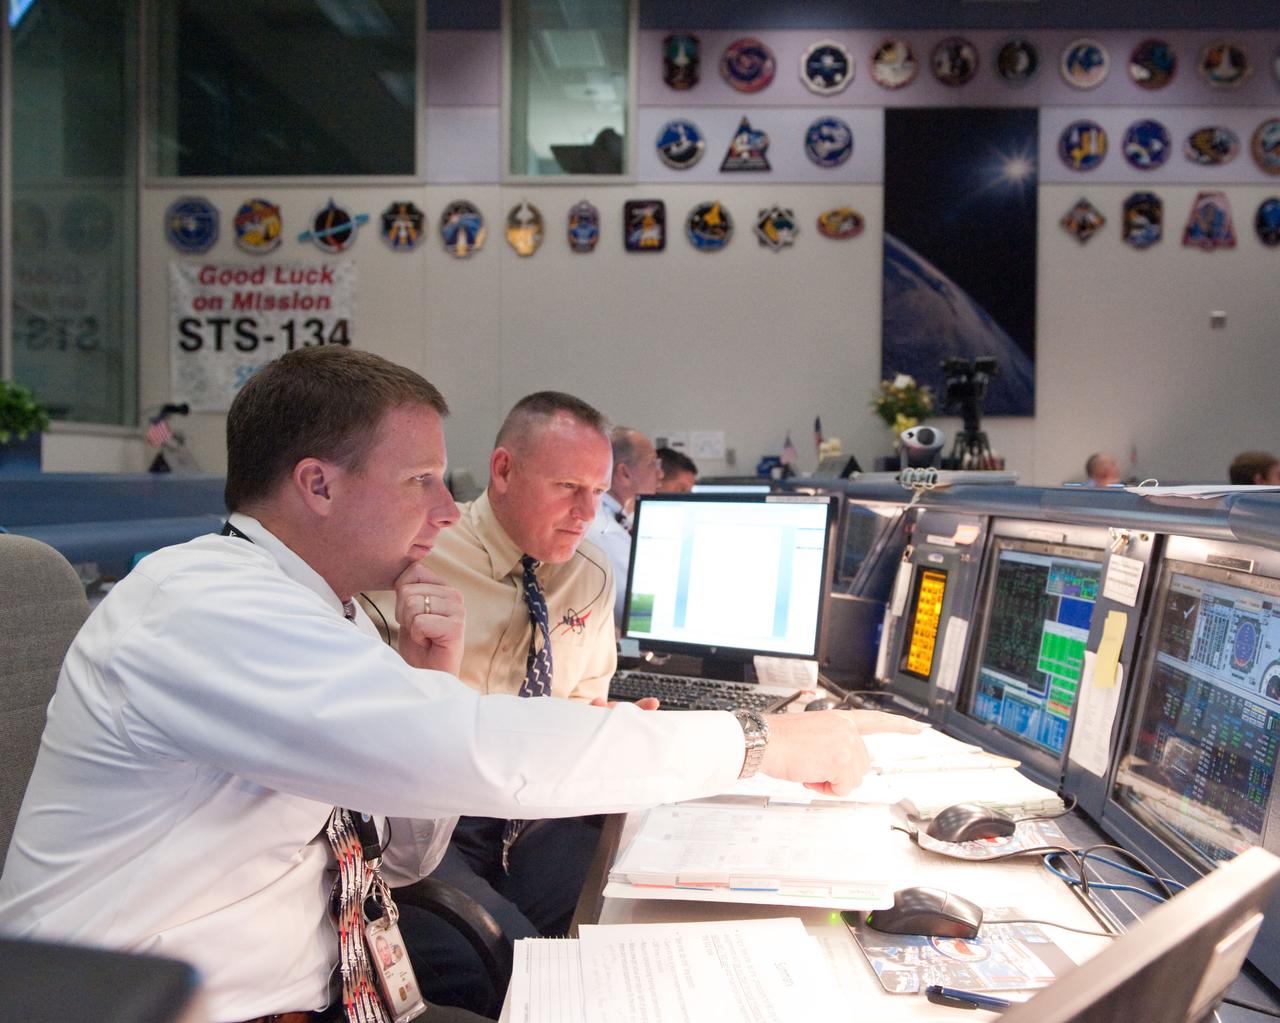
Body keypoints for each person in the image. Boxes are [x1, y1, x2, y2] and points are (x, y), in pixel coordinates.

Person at [0, 347, 904, 1023]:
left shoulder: (333, 612)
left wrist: (427, 681)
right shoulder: (204, 607)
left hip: (318, 992)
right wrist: (759, 741)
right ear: (316, 484)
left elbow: (400, 856)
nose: (445, 508)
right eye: (422, 481)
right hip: (155, 1005)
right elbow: (482, 747)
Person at [375, 392, 626, 1015]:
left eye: (598, 491)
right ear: (504, 470)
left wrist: (602, 725)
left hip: (538, 814)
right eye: (569, 486)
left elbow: (577, 702)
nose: (586, 513)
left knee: (618, 935)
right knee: (530, 976)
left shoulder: (589, 574)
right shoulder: (414, 555)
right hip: (437, 815)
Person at [588, 426, 662, 628]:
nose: (660, 473)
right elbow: (638, 618)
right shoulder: (605, 531)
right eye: (653, 463)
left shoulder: (618, 517)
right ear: (624, 473)